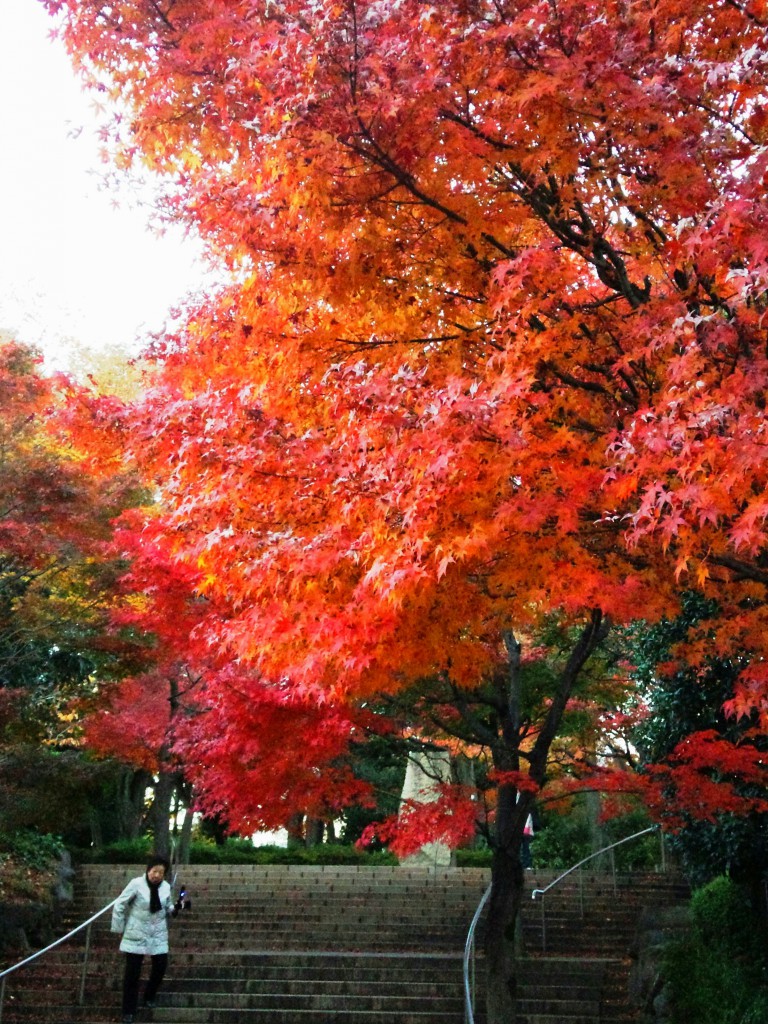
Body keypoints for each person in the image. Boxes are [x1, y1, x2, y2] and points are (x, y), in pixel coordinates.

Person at [111, 855, 174, 1023]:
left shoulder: (166, 887)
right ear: (148, 870)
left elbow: (168, 906)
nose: (157, 875)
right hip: (136, 932)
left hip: (158, 934)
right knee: (132, 974)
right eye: (154, 871)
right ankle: (128, 1010)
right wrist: (119, 927)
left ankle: (149, 996)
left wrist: (177, 907)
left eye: (161, 872)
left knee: (160, 967)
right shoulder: (136, 884)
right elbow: (120, 903)